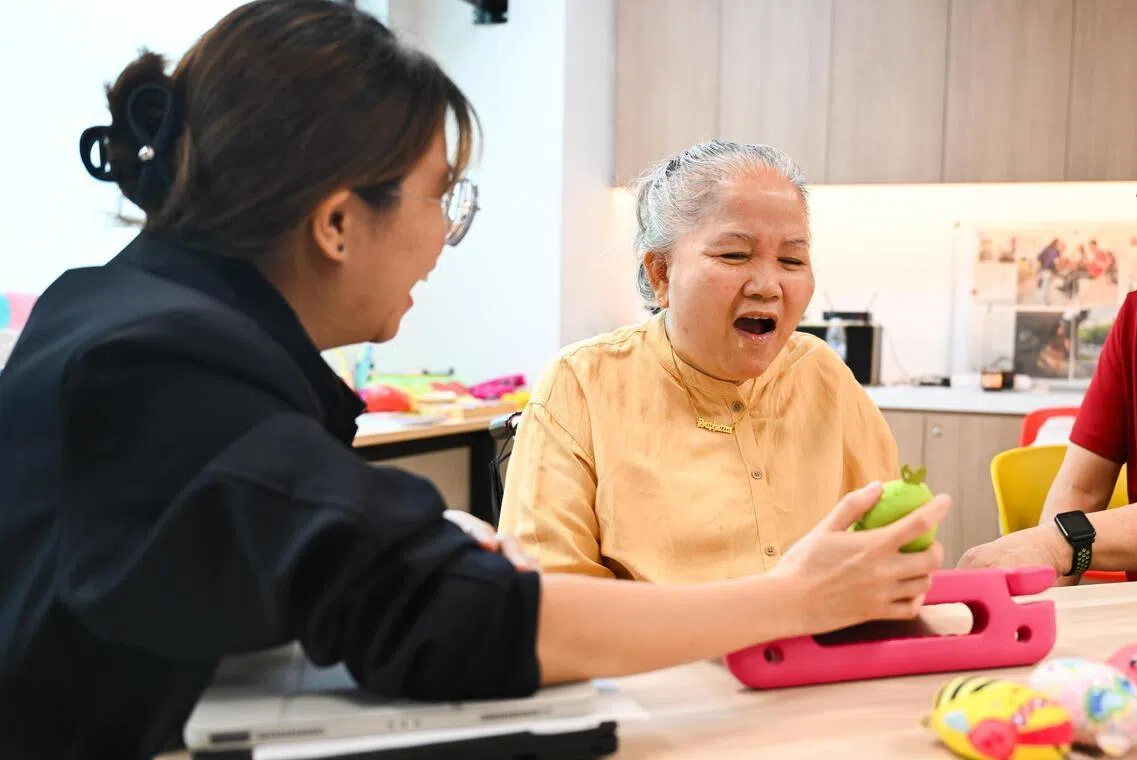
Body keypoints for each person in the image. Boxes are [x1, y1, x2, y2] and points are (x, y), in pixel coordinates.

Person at [0, 4, 948, 757]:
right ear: (338, 223)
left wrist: (391, 536)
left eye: (793, 257)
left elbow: (227, 553)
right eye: (441, 195)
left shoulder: (128, 317)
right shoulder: (166, 367)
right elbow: (459, 615)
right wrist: (794, 599)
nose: (447, 235)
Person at [497, 141, 902, 583]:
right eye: (734, 255)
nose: (768, 286)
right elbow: (551, 598)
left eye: (791, 260)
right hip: (655, 653)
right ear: (661, 274)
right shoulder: (582, 383)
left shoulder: (822, 374)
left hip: (820, 650)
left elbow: (888, 545)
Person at [959, 290, 1137, 584]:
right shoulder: (1135, 315)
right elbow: (1082, 489)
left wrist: (1055, 544)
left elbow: (1058, 541)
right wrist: (1042, 599)